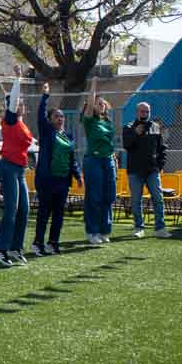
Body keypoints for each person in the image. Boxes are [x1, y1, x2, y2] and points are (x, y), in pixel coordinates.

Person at [31, 83, 82, 256]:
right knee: (44, 212)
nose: (60, 119)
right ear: (50, 119)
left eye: (62, 117)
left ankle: (53, 242)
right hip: (47, 180)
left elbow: (71, 158)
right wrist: (45, 96)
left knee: (59, 214)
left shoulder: (67, 136)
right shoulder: (47, 132)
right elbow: (40, 116)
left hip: (62, 180)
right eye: (56, 116)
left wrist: (77, 175)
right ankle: (38, 244)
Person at [0, 65, 34, 267]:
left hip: (19, 169)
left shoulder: (21, 123)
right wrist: (18, 79)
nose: (21, 104)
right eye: (18, 102)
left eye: (22, 103)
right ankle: (1, 249)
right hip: (8, 167)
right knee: (11, 209)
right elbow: (14, 98)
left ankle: (15, 247)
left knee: (24, 209)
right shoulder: (9, 120)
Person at [123, 101, 170, 238]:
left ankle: (160, 228)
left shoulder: (155, 127)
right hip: (135, 171)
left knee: (158, 198)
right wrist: (135, 134)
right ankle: (139, 228)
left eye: (147, 111)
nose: (145, 114)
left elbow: (162, 148)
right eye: (142, 111)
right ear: (137, 112)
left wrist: (160, 165)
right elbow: (126, 145)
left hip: (152, 171)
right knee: (136, 200)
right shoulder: (129, 127)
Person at [81, 76, 117, 245]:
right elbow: (89, 103)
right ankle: (92, 231)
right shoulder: (89, 120)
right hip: (93, 160)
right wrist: (94, 84)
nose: (101, 105)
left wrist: (114, 160)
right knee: (94, 196)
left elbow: (110, 144)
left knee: (108, 196)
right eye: (98, 102)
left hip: (107, 160)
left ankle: (104, 230)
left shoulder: (108, 122)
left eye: (103, 103)